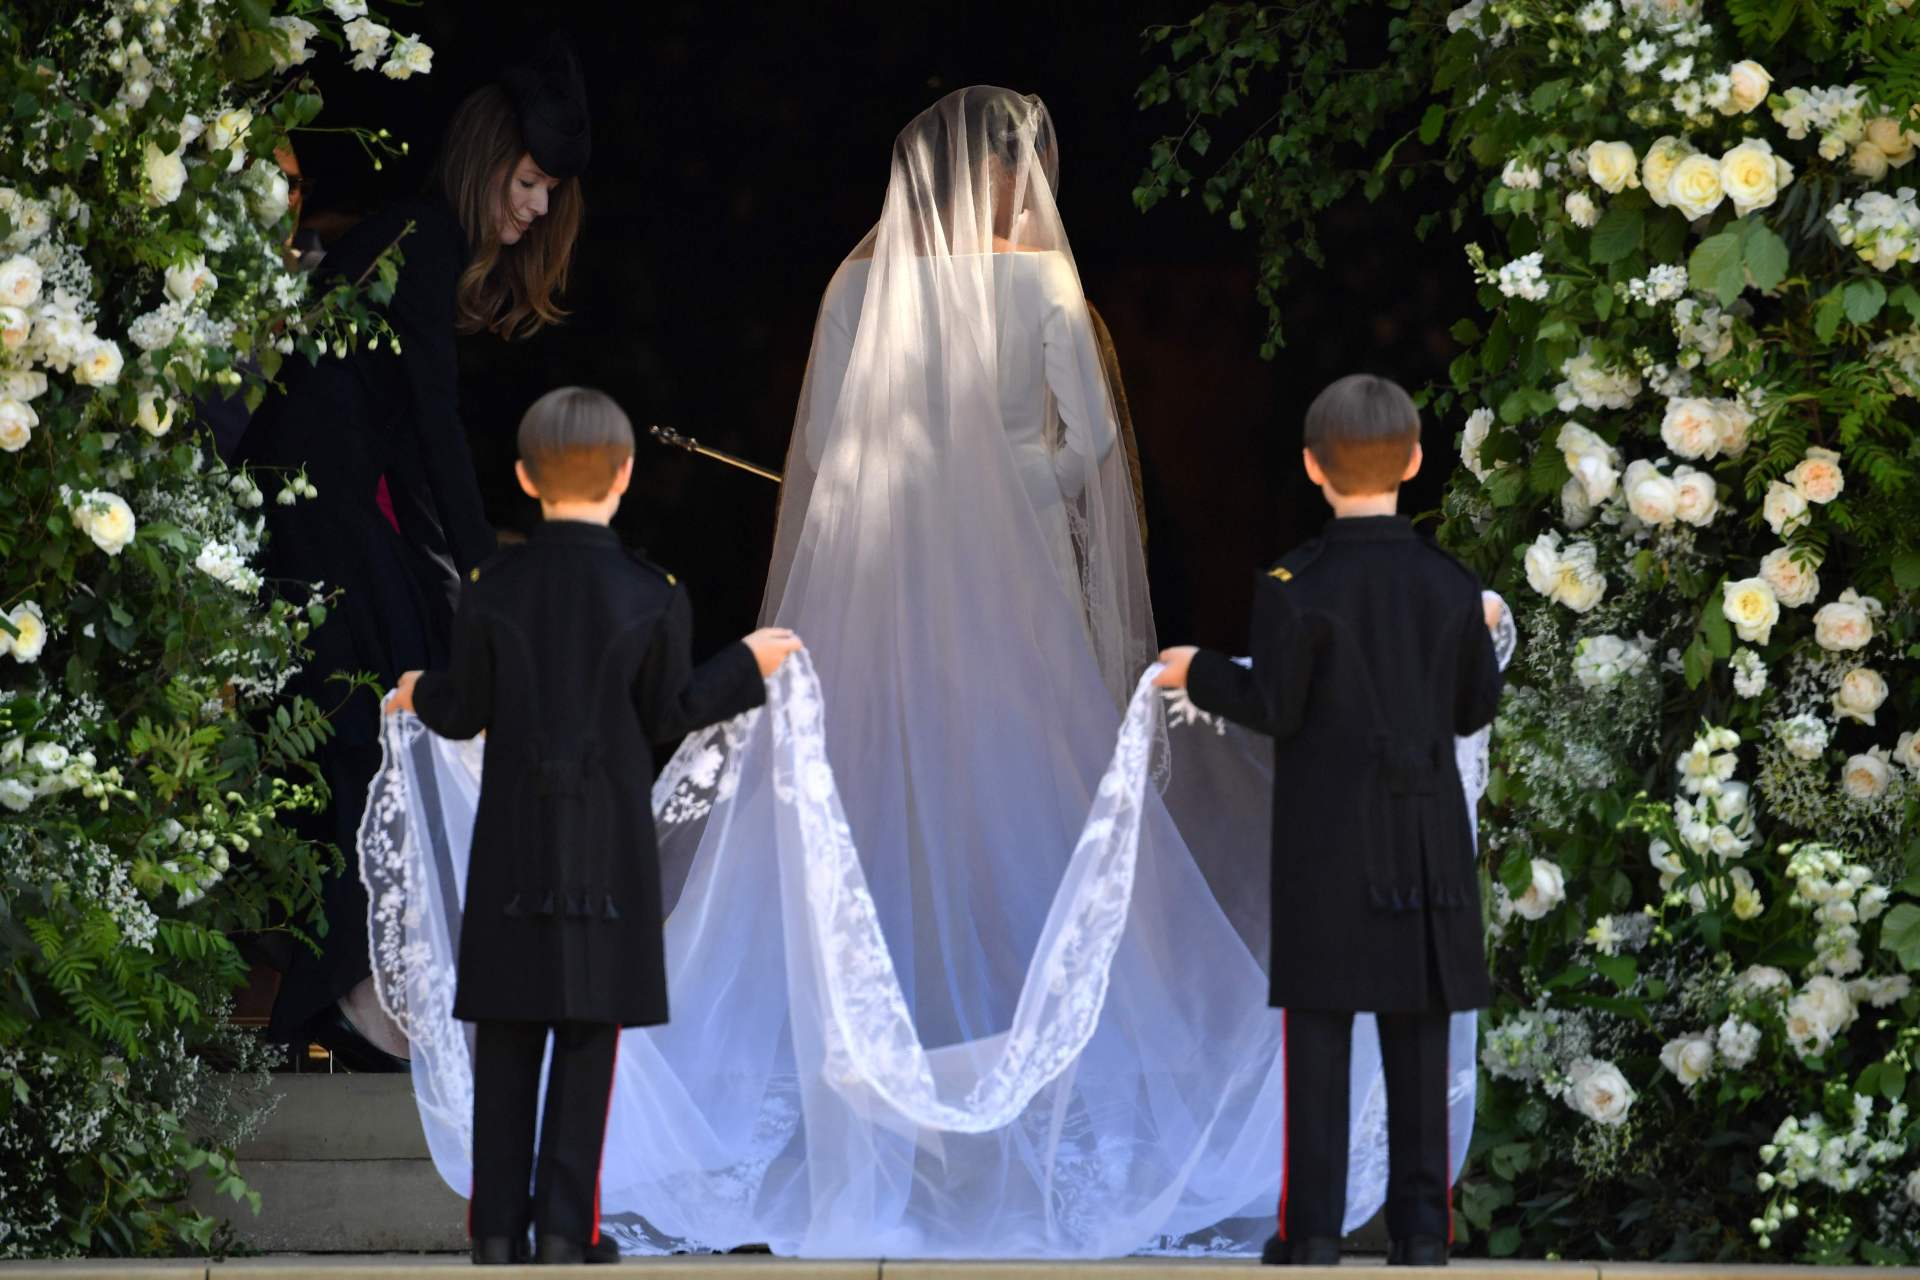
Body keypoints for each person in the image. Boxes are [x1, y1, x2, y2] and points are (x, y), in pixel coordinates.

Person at [384, 387, 802, 1265]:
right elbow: (673, 710)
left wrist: (417, 688)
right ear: (625, 476)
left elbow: (462, 713)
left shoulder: (489, 587)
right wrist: (750, 664)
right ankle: (568, 1230)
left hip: (511, 852)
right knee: (585, 1044)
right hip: (606, 856)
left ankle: (497, 1230)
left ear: (525, 478)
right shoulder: (654, 593)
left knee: (504, 1037)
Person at [239, 34, 591, 1069]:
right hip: (321, 525)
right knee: (374, 741)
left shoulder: (418, 239)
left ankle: (355, 996)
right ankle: (354, 999)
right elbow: (427, 425)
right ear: (490, 160)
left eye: (548, 189)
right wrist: (481, 571)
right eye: (526, 181)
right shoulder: (420, 235)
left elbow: (408, 436)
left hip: (334, 521)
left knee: (376, 743)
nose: (533, 207)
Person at [1154, 374, 1505, 1268]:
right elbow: (1470, 709)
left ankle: (1310, 1233)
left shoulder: (1292, 584)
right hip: (1425, 841)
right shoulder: (1451, 584)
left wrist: (1195, 669)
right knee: (1418, 1037)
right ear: (1417, 461)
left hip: (1326, 848)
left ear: (1312, 468)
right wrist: (1481, 624)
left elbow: (1273, 704)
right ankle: (1424, 1235)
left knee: (1318, 1039)